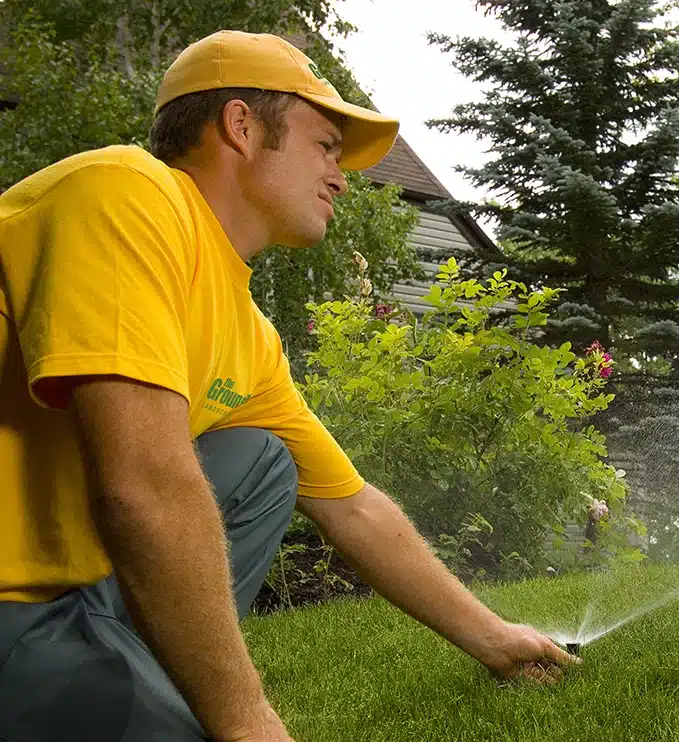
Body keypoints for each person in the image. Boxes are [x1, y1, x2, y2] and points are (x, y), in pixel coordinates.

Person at [0, 30, 576, 742]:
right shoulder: (124, 194)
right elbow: (142, 484)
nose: (342, 176)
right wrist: (247, 724)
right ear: (241, 126)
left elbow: (354, 510)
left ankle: (128, 664)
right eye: (326, 146)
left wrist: (493, 637)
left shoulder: (247, 332)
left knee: (263, 460)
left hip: (75, 595)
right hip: (10, 601)